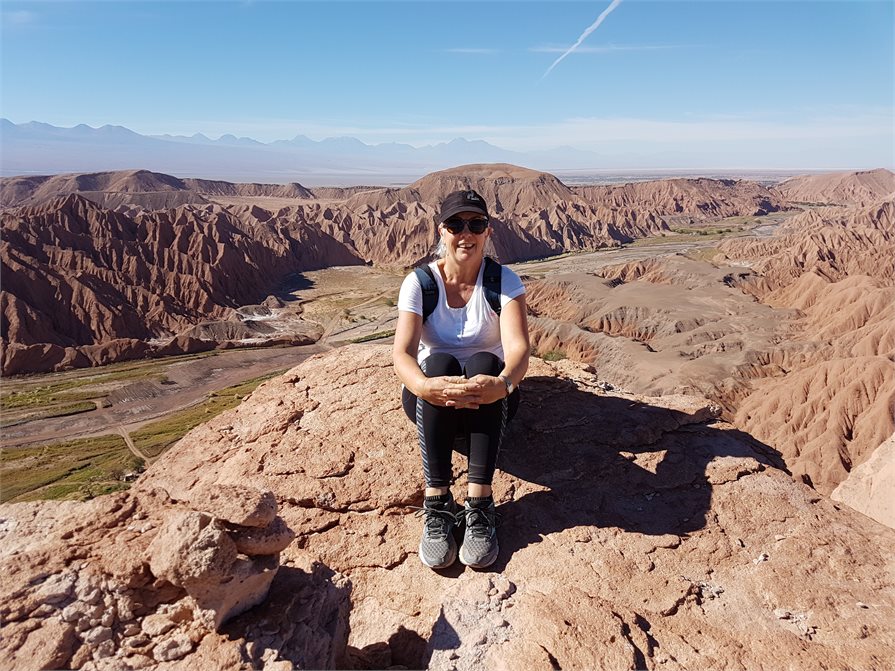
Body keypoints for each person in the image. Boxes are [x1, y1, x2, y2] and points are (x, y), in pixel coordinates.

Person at [393, 189, 530, 569]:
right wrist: (423, 386)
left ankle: (480, 504)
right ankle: (437, 502)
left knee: (487, 361)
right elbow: (402, 354)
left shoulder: (503, 281)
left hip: (492, 401)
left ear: (488, 232)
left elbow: (518, 351)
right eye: (455, 224)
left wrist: (501, 385)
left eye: (476, 224)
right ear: (442, 231)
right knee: (437, 364)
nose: (465, 233)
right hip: (431, 402)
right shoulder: (420, 283)